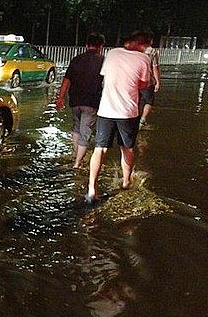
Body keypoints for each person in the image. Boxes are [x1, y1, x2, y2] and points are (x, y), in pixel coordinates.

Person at [85, 31, 152, 203]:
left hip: (106, 110)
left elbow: (105, 76)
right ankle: (126, 181)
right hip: (128, 112)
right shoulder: (144, 59)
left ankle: (92, 189)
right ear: (142, 44)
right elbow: (144, 85)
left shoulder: (112, 53)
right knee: (127, 148)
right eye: (146, 46)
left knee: (100, 148)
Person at [55, 33, 105, 169]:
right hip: (91, 101)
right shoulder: (103, 61)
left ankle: (75, 154)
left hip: (75, 100)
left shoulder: (76, 59)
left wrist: (60, 98)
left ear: (87, 45)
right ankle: (77, 165)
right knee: (85, 132)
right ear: (101, 46)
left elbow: (66, 80)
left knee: (76, 128)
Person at [139, 38, 161, 128]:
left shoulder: (136, 50)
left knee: (135, 101)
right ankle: (142, 120)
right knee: (149, 101)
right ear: (151, 41)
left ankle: (133, 120)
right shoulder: (152, 51)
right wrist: (158, 82)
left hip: (134, 80)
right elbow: (155, 67)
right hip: (147, 81)